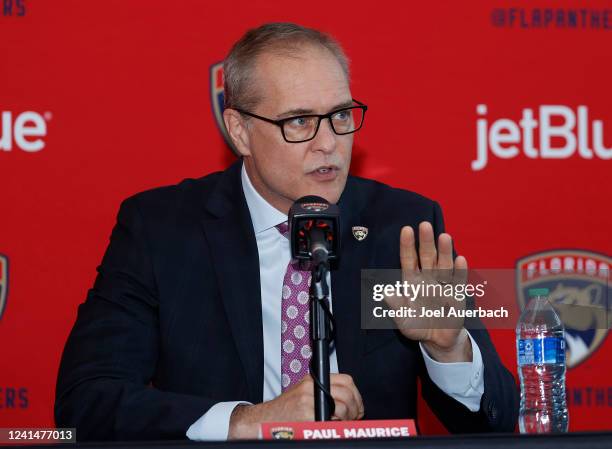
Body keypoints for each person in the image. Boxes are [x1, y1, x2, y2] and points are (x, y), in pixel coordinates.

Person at [55, 22, 519, 441]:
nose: (328, 142)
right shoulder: (163, 230)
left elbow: (492, 422)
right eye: (299, 121)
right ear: (239, 132)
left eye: (340, 115)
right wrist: (250, 421)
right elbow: (87, 400)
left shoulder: (396, 228)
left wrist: (449, 349)